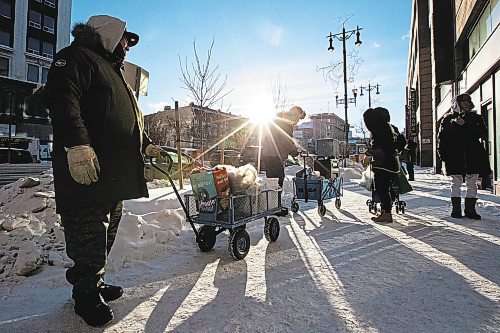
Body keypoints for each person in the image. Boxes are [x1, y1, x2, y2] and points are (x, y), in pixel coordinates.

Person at [44, 15, 163, 327]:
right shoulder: (75, 58)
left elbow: (130, 118)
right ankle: (84, 294)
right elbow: (62, 99)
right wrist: (77, 144)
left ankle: (93, 283)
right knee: (88, 231)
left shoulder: (112, 71)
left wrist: (147, 145)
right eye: (125, 39)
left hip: (112, 171)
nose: (127, 47)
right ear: (109, 34)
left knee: (105, 232)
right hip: (88, 166)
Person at [437, 93, 490, 220]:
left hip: (473, 155)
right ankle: (456, 210)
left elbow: (483, 133)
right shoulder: (448, 119)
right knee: (456, 182)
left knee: (472, 182)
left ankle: (470, 210)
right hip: (455, 157)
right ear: (457, 104)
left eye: (468, 101)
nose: (466, 103)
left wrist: (465, 125)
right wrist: (442, 155)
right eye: (463, 101)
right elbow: (442, 138)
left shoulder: (476, 118)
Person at [261, 106, 305, 214]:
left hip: (267, 153)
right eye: (298, 118)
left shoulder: (280, 118)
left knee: (272, 179)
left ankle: (272, 206)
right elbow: (285, 140)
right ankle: (275, 208)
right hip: (274, 154)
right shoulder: (286, 123)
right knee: (277, 179)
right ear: (295, 114)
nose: (297, 121)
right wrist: (294, 151)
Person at [363, 107, 403, 223]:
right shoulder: (392, 127)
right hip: (393, 164)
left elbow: (378, 147)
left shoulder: (379, 129)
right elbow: (402, 141)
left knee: (382, 189)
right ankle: (386, 212)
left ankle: (386, 213)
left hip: (382, 164)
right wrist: (396, 150)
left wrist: (368, 153)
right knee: (388, 189)